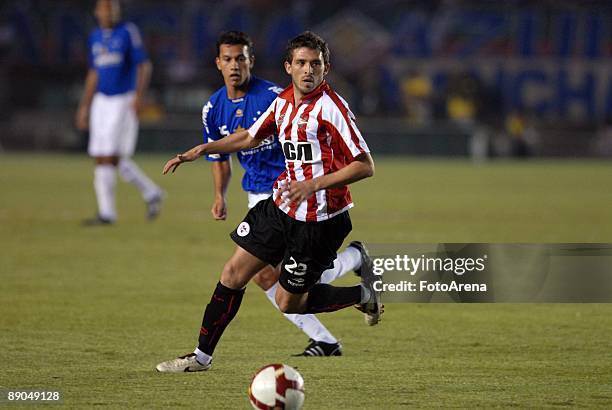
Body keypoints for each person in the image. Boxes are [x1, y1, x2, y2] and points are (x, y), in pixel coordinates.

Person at [156, 31, 381, 373]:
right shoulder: (284, 102)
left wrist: (313, 184)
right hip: (279, 208)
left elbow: (365, 165)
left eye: (315, 64)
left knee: (289, 302)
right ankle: (201, 357)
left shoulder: (332, 108)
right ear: (288, 66)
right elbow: (248, 136)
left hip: (319, 221)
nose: (308, 71)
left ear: (326, 68)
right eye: (302, 63)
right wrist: (203, 149)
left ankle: (362, 296)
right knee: (233, 273)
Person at [75, 0, 163, 225]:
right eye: (105, 8)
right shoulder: (95, 36)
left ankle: (107, 214)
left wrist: (138, 96)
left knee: (110, 156)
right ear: (96, 11)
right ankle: (150, 193)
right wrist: (84, 105)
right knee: (103, 157)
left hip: (122, 99)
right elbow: (94, 72)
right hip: (100, 101)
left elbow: (143, 65)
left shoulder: (127, 32)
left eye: (112, 8)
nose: (109, 12)